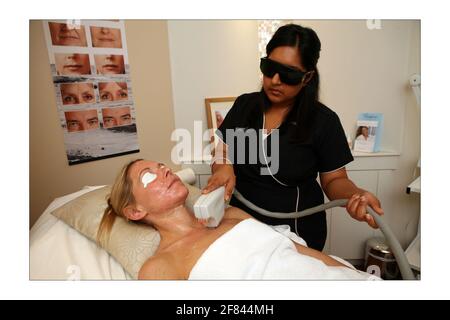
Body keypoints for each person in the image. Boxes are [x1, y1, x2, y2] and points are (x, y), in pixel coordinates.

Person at [202, 24, 384, 251]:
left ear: (307, 77)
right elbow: (222, 151)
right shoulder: (245, 105)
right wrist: (222, 168)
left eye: (288, 74)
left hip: (296, 233)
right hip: (242, 226)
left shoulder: (323, 121)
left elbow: (335, 180)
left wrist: (355, 195)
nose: (275, 80)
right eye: (270, 68)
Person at [97, 159, 375, 280]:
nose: (165, 171)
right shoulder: (160, 266)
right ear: (135, 212)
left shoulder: (229, 215)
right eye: (149, 176)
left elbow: (302, 253)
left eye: (162, 167)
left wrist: (357, 277)